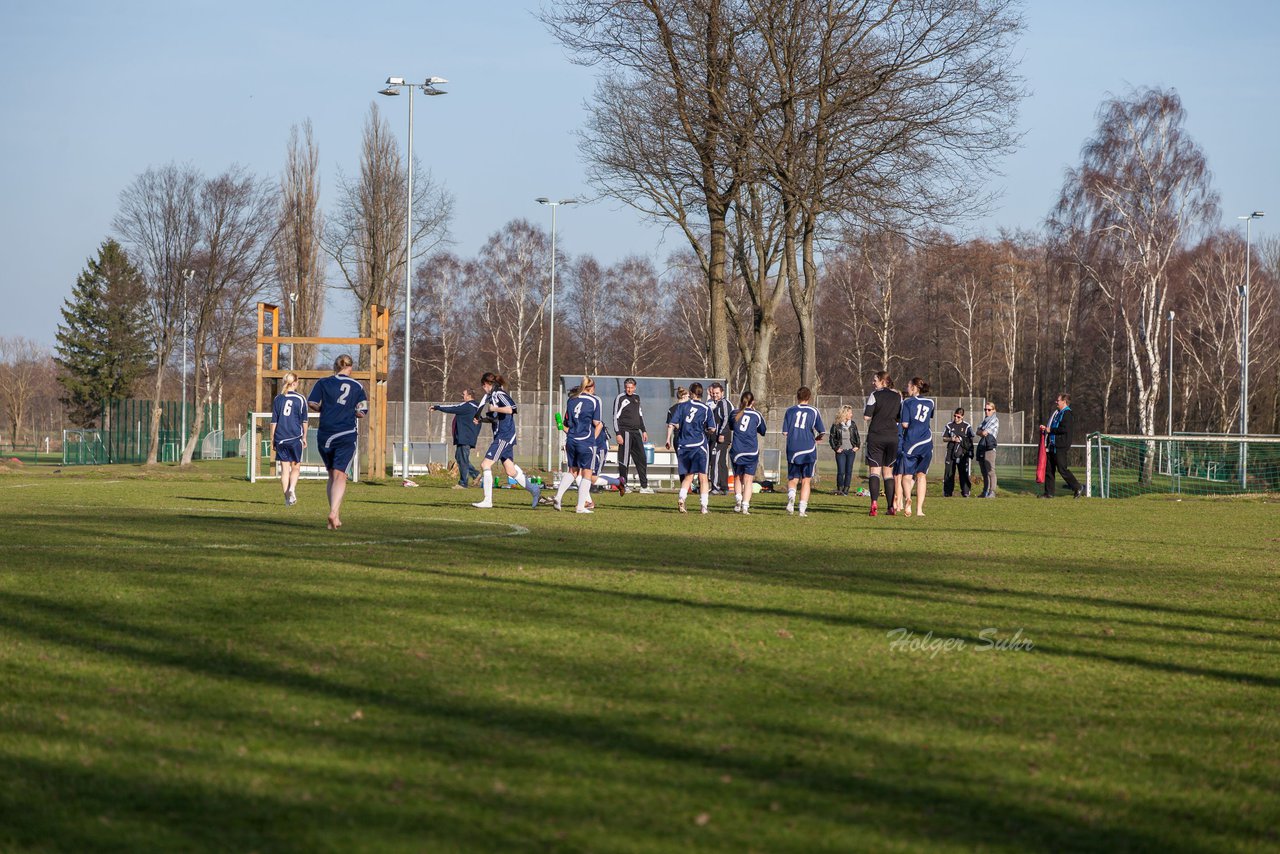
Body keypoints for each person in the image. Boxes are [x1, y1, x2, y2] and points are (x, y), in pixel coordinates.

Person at [307, 354, 367, 530]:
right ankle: (333, 512)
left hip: (325, 434)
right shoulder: (357, 386)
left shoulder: (323, 382)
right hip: (346, 433)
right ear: (350, 368)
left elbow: (312, 402)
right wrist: (350, 411)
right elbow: (362, 411)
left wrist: (325, 409)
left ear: (335, 366)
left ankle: (335, 516)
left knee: (332, 475)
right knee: (341, 475)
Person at [471, 372, 542, 510]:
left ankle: (487, 500)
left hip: (504, 436)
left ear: (487, 384)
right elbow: (495, 418)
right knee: (510, 471)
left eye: (483, 386)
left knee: (485, 464)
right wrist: (481, 419)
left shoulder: (499, 394)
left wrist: (494, 408)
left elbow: (512, 409)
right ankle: (535, 490)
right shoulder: (493, 397)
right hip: (501, 436)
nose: (483, 389)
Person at [553, 378, 604, 513]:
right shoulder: (594, 400)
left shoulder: (571, 399)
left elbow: (566, 422)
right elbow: (597, 422)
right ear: (591, 388)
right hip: (585, 440)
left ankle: (558, 497)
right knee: (587, 473)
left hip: (571, 439)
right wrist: (593, 438)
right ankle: (580, 506)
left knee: (573, 471)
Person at [665, 382, 712, 514]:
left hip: (684, 444)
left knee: (688, 475)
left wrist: (668, 439)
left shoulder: (682, 406)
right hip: (699, 445)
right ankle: (704, 506)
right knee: (703, 476)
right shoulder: (705, 408)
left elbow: (672, 423)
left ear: (691, 393)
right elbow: (712, 428)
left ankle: (681, 498)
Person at [863, 371, 903, 517]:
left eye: (875, 380)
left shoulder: (875, 395)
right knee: (888, 473)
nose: (873, 383)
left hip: (876, 436)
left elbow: (866, 416)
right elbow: (899, 418)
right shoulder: (898, 396)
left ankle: (874, 503)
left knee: (874, 471)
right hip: (892, 437)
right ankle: (890, 507)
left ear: (882, 381)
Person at [783, 387, 826, 517]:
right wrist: (817, 438)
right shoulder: (813, 411)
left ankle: (791, 496)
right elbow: (822, 431)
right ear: (809, 397)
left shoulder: (790, 411)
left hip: (793, 448)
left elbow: (785, 432)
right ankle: (802, 509)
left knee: (793, 478)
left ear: (797, 397)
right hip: (808, 448)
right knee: (806, 480)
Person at [898, 377, 936, 517]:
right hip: (926, 441)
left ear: (914, 387)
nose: (907, 388)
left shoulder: (907, 402)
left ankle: (908, 499)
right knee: (921, 476)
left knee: (907, 476)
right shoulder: (930, 402)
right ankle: (919, 510)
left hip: (911, 442)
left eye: (908, 386)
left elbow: (905, 424)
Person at [269, 371, 308, 506]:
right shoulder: (300, 399)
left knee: (284, 470)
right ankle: (291, 490)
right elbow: (304, 421)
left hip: (280, 438)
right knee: (295, 467)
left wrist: (272, 438)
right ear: (295, 383)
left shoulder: (278, 399)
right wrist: (304, 437)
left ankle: (287, 498)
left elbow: (274, 421)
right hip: (295, 437)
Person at [432, 389, 482, 489]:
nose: (462, 396)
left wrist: (437, 407)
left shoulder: (467, 406)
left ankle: (463, 483)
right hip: (465, 437)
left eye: (464, 394)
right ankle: (476, 474)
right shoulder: (475, 407)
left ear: (469, 396)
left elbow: (452, 407)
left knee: (462, 459)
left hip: (465, 438)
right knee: (459, 457)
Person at [613, 378, 653, 493]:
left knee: (642, 458)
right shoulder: (620, 398)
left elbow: (640, 415)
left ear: (635, 387)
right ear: (624, 387)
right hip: (625, 432)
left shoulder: (637, 398)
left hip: (636, 432)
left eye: (631, 387)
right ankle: (623, 485)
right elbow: (615, 417)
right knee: (624, 459)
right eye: (627, 387)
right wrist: (618, 433)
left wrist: (643, 430)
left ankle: (644, 486)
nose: (629, 389)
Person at [729, 391, 766, 515]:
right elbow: (763, 431)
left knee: (737, 476)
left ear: (741, 401)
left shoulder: (734, 413)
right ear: (753, 402)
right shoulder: (756, 415)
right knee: (748, 479)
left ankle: (738, 500)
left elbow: (731, 427)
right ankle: (745, 506)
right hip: (751, 451)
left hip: (737, 450)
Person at [1040, 392, 1083, 499]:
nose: (1056, 402)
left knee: (1062, 469)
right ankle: (1048, 493)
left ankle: (1077, 487)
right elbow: (1053, 426)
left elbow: (1064, 429)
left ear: (1064, 402)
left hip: (1060, 446)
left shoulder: (1067, 414)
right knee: (1049, 470)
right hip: (1052, 445)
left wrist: (1051, 430)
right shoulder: (1058, 413)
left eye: (1058, 400)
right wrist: (1046, 429)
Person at [706, 382, 733, 495]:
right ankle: (724, 486)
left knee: (715, 460)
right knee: (721, 461)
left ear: (722, 392)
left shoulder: (724, 403)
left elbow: (726, 419)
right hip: (715, 436)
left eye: (717, 393)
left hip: (721, 437)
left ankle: (716, 486)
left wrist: (721, 433)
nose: (715, 395)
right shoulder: (714, 403)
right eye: (713, 393)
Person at [942, 408, 975, 498]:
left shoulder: (967, 426)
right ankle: (947, 492)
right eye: (955, 416)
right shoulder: (949, 425)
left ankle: (966, 492)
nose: (956, 418)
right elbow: (944, 438)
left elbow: (971, 439)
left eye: (958, 417)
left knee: (963, 472)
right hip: (950, 452)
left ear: (962, 417)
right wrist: (951, 439)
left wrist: (962, 440)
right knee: (949, 472)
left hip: (962, 453)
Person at [828, 404, 860, 496]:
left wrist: (857, 446)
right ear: (845, 413)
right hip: (841, 451)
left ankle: (846, 489)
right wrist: (836, 448)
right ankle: (840, 489)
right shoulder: (836, 425)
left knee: (848, 471)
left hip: (851, 451)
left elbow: (857, 436)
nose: (851, 414)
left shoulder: (853, 424)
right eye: (850, 412)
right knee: (841, 471)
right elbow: (832, 438)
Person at [976, 401, 1000, 498]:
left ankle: (992, 491)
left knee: (990, 471)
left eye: (989, 409)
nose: (987, 411)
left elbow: (985, 432)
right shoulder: (985, 420)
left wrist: (981, 431)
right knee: (984, 471)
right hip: (982, 446)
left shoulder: (995, 420)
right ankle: (985, 491)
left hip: (989, 448)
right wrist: (981, 432)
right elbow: (977, 431)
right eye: (985, 409)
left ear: (994, 410)